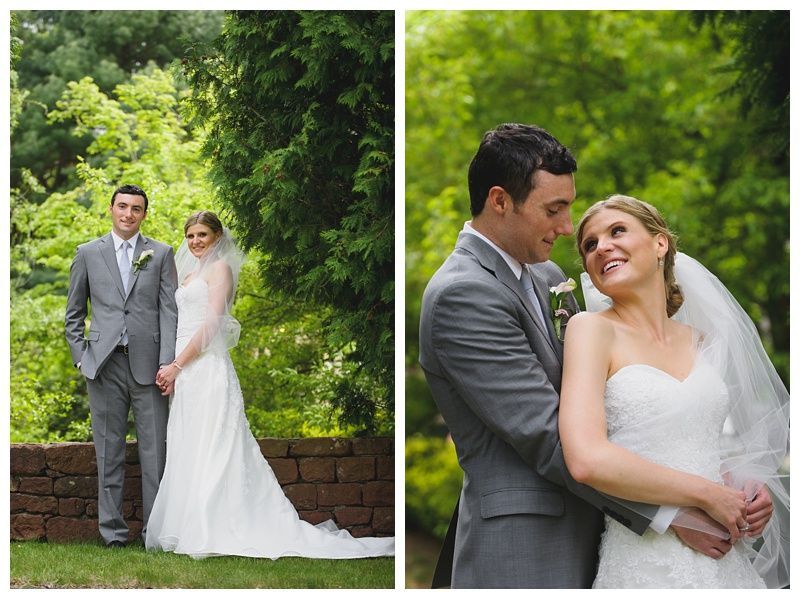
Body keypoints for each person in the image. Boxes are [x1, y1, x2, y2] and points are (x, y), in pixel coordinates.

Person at [419, 124, 670, 588]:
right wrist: (672, 510)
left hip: (602, 532)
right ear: (500, 201)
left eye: (569, 206)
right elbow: (547, 435)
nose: (567, 227)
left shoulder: (546, 274)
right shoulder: (463, 294)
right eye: (554, 209)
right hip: (529, 547)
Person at [560, 194, 789, 588]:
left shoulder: (701, 339)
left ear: (660, 243)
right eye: (590, 245)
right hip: (647, 557)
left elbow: (706, 440)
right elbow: (587, 459)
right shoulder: (591, 329)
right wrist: (705, 496)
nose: (602, 248)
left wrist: (746, 487)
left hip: (725, 555)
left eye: (617, 231)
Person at [145, 211, 394, 559]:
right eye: (190, 236)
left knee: (215, 447)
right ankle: (188, 525)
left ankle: (216, 526)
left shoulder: (221, 271)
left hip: (207, 368)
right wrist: (173, 370)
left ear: (217, 237)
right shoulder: (188, 274)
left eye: (202, 234)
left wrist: (176, 365)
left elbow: (212, 325)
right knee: (190, 445)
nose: (196, 241)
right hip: (186, 376)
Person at [65, 184, 179, 547]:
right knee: (108, 451)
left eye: (136, 208)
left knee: (155, 455)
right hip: (103, 367)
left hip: (149, 368)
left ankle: (155, 533)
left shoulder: (160, 253)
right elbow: (73, 316)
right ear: (111, 209)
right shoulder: (87, 253)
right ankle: (112, 533)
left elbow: (169, 312)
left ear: (145, 214)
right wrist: (82, 358)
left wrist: (167, 364)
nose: (128, 214)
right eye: (122, 207)